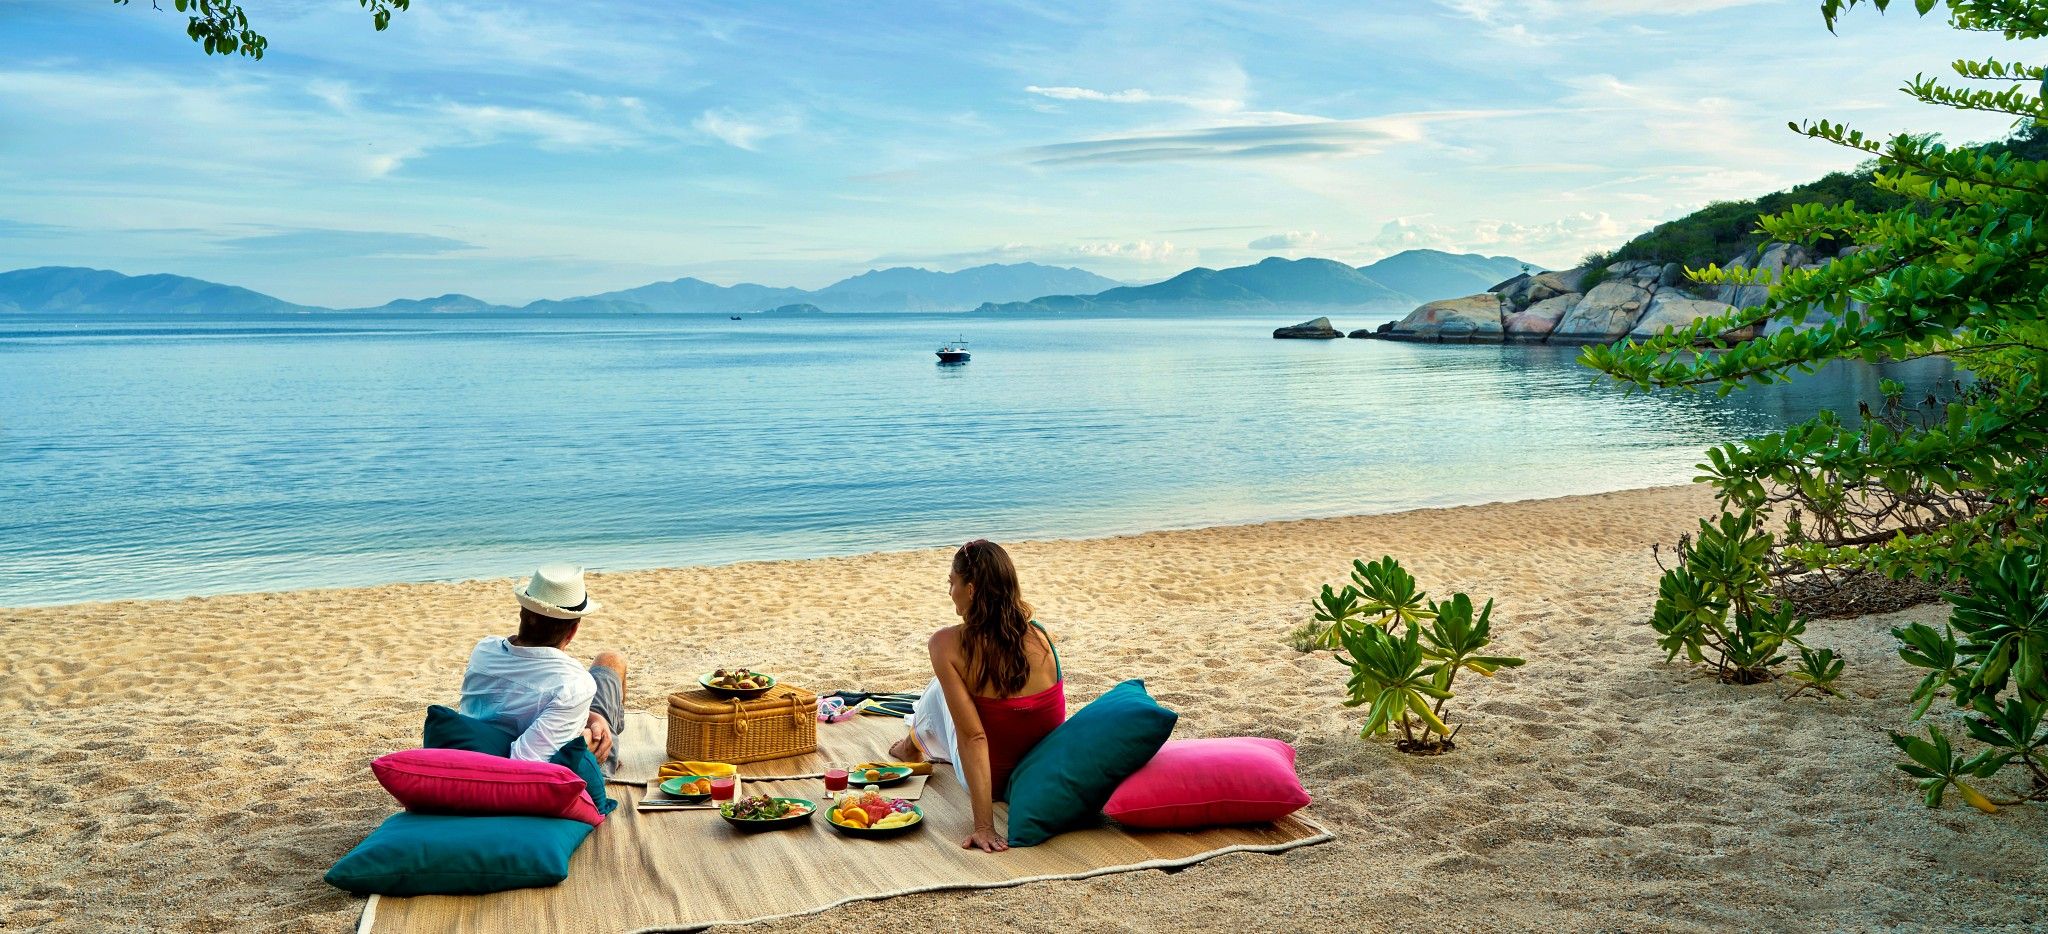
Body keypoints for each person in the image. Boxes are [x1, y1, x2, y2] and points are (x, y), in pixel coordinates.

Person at [889, 540, 1064, 853]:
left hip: (991, 781)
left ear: (970, 590)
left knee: (942, 687)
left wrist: (984, 826)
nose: (949, 591)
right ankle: (913, 743)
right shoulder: (1040, 635)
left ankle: (910, 746)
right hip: (1036, 774)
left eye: (951, 583)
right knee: (954, 686)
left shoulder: (946, 643)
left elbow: (974, 738)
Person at [459, 563, 628, 771]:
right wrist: (582, 740)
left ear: (522, 613)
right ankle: (611, 752)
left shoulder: (484, 650)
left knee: (601, 675)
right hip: (551, 769)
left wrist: (592, 716)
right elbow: (523, 764)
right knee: (612, 660)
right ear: (573, 631)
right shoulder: (574, 684)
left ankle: (602, 722)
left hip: (478, 749)